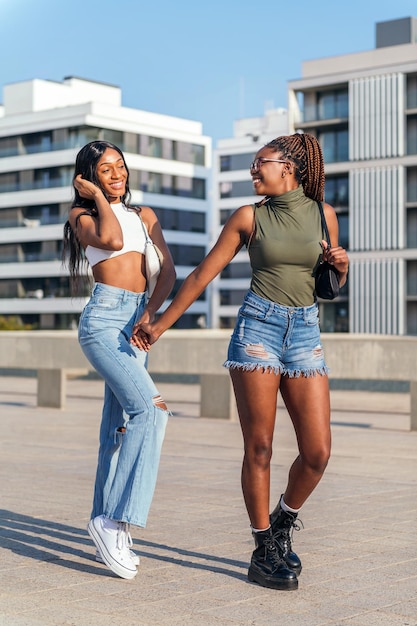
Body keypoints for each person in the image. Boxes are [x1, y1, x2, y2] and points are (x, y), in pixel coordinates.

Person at [131, 133, 349, 590]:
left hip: (305, 333)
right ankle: (263, 547)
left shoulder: (325, 216)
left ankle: (283, 521)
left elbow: (326, 285)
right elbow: (201, 274)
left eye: (259, 164)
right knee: (261, 448)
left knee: (317, 452)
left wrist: (341, 267)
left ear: (288, 167)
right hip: (258, 333)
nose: (253, 171)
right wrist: (160, 323)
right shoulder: (249, 217)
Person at [62, 140, 176, 580]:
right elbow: (109, 240)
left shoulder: (144, 216)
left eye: (120, 167)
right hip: (103, 321)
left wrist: (151, 313)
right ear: (88, 176)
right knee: (152, 412)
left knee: (118, 429)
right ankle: (114, 522)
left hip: (136, 320)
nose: (116, 174)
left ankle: (104, 524)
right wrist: (93, 197)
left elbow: (166, 269)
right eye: (105, 169)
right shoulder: (83, 216)